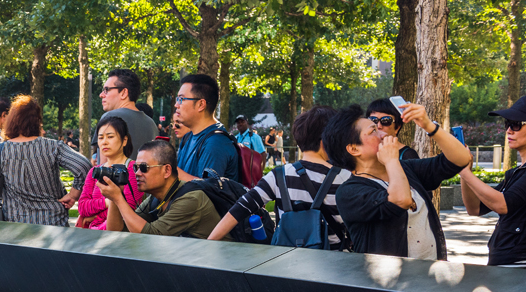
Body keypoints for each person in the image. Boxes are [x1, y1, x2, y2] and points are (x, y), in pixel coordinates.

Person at [324, 102, 472, 260]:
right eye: (373, 131)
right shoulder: (349, 192)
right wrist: (391, 161)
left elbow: (461, 159)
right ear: (354, 149)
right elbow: (400, 200)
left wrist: (429, 126)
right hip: (388, 283)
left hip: (431, 275)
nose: (382, 133)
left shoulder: (407, 168)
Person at [209, 106, 349, 247]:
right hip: (330, 264)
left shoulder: (278, 176)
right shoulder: (345, 178)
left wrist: (209, 244)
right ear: (327, 139)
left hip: (286, 263)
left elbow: (240, 208)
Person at [0, 94, 89, 225]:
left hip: (16, 227)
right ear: (38, 120)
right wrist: (73, 194)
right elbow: (84, 166)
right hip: (52, 223)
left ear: (12, 120)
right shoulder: (53, 147)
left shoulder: (0, 151)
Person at [99, 139, 220, 239]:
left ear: (167, 170)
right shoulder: (156, 198)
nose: (137, 173)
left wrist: (119, 199)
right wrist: (115, 198)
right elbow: (117, 231)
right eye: (136, 167)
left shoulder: (190, 198)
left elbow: (151, 236)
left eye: (144, 167)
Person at [459, 96, 526, 267]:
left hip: (518, 266)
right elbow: (475, 208)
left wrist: (465, 173)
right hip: (505, 264)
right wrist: (465, 170)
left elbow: (503, 205)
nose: (509, 131)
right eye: (507, 124)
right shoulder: (516, 173)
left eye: (516, 124)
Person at [77, 116, 142, 231]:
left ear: (124, 140)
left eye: (110, 137)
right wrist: (107, 202)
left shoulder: (133, 170)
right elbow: (82, 207)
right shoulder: (95, 171)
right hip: (93, 237)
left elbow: (128, 210)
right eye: (101, 138)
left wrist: (96, 216)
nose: (104, 142)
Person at [173, 73, 239, 182]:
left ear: (201, 105)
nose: (176, 105)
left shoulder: (216, 143)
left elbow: (207, 192)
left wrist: (170, 171)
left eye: (181, 99)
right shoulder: (187, 137)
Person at [98, 68, 159, 152]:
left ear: (124, 93)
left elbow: (103, 163)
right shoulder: (152, 124)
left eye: (106, 90)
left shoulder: (109, 118)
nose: (101, 95)